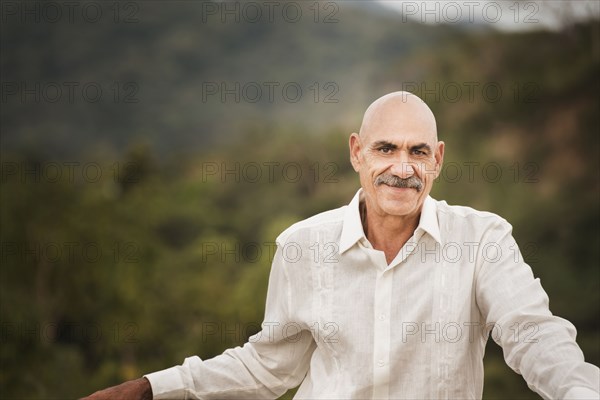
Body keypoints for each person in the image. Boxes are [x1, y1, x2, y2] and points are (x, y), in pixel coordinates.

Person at [82, 92, 600, 400]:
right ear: (357, 152)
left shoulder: (483, 240)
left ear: (438, 159)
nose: (402, 168)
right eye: (386, 149)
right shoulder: (301, 247)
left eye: (418, 151)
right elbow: (269, 367)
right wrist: (153, 388)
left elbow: (532, 334)